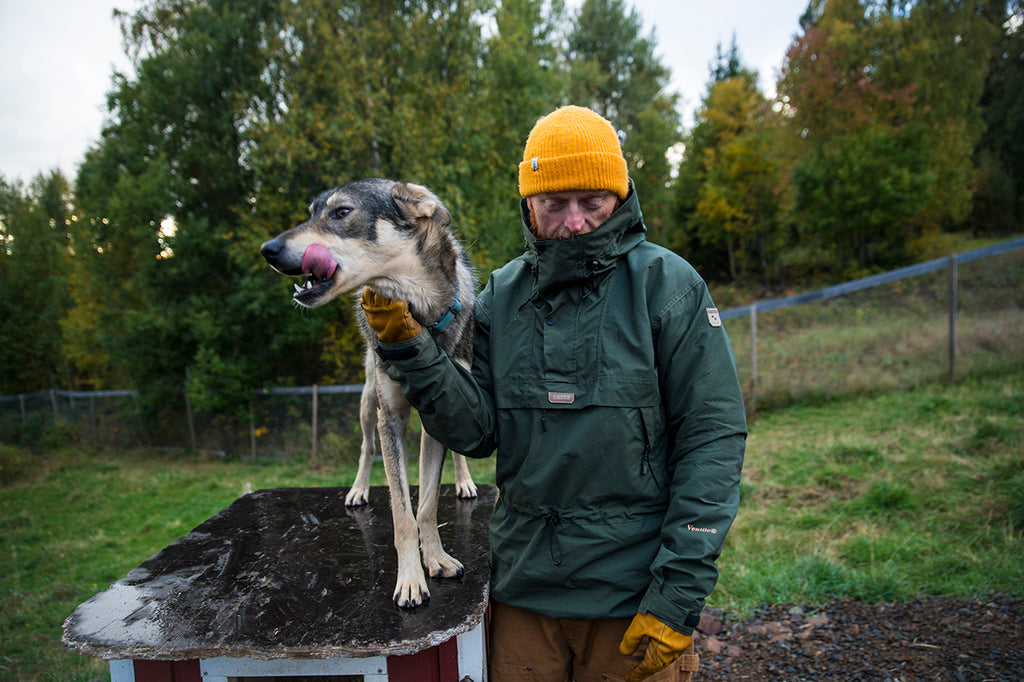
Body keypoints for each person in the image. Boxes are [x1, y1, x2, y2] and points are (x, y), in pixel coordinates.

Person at [361, 105, 747, 682]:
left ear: (619, 195)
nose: (574, 222)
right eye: (554, 204)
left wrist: (678, 594)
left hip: (634, 597)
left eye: (592, 202)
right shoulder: (502, 295)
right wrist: (411, 348)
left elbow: (713, 440)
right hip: (525, 598)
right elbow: (475, 431)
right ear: (529, 204)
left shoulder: (669, 287)